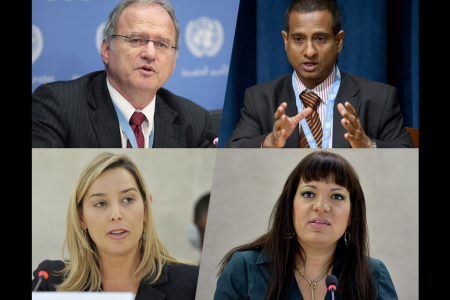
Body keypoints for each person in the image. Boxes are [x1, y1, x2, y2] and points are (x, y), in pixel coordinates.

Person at [225, 0, 414, 148]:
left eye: (320, 39)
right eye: (298, 39)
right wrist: (267, 143)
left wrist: (367, 146)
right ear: (285, 41)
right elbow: (232, 156)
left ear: (338, 41)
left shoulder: (379, 98)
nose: (309, 52)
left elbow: (409, 163)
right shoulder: (260, 99)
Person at [213, 151, 398, 300]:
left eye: (337, 196)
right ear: (290, 206)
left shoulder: (373, 275)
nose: (322, 207)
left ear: (352, 215)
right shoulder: (243, 268)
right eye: (309, 194)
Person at [32, 0, 214, 148]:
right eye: (136, 40)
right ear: (106, 49)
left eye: (162, 45)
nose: (150, 54)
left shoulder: (195, 121)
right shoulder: (57, 106)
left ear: (173, 63)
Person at [32, 153, 199, 299]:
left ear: (146, 209)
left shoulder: (192, 283)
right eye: (100, 203)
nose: (116, 214)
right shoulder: (48, 281)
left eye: (128, 199)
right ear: (81, 218)